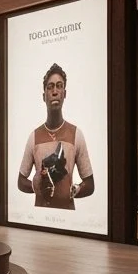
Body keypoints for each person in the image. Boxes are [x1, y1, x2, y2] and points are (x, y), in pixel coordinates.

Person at [18, 63, 95, 209]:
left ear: (64, 94)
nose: (55, 91)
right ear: (44, 96)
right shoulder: (33, 137)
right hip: (40, 218)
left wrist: (76, 189)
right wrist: (37, 187)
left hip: (67, 218)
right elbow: (21, 181)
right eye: (50, 87)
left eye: (59, 86)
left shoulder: (76, 134)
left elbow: (90, 184)